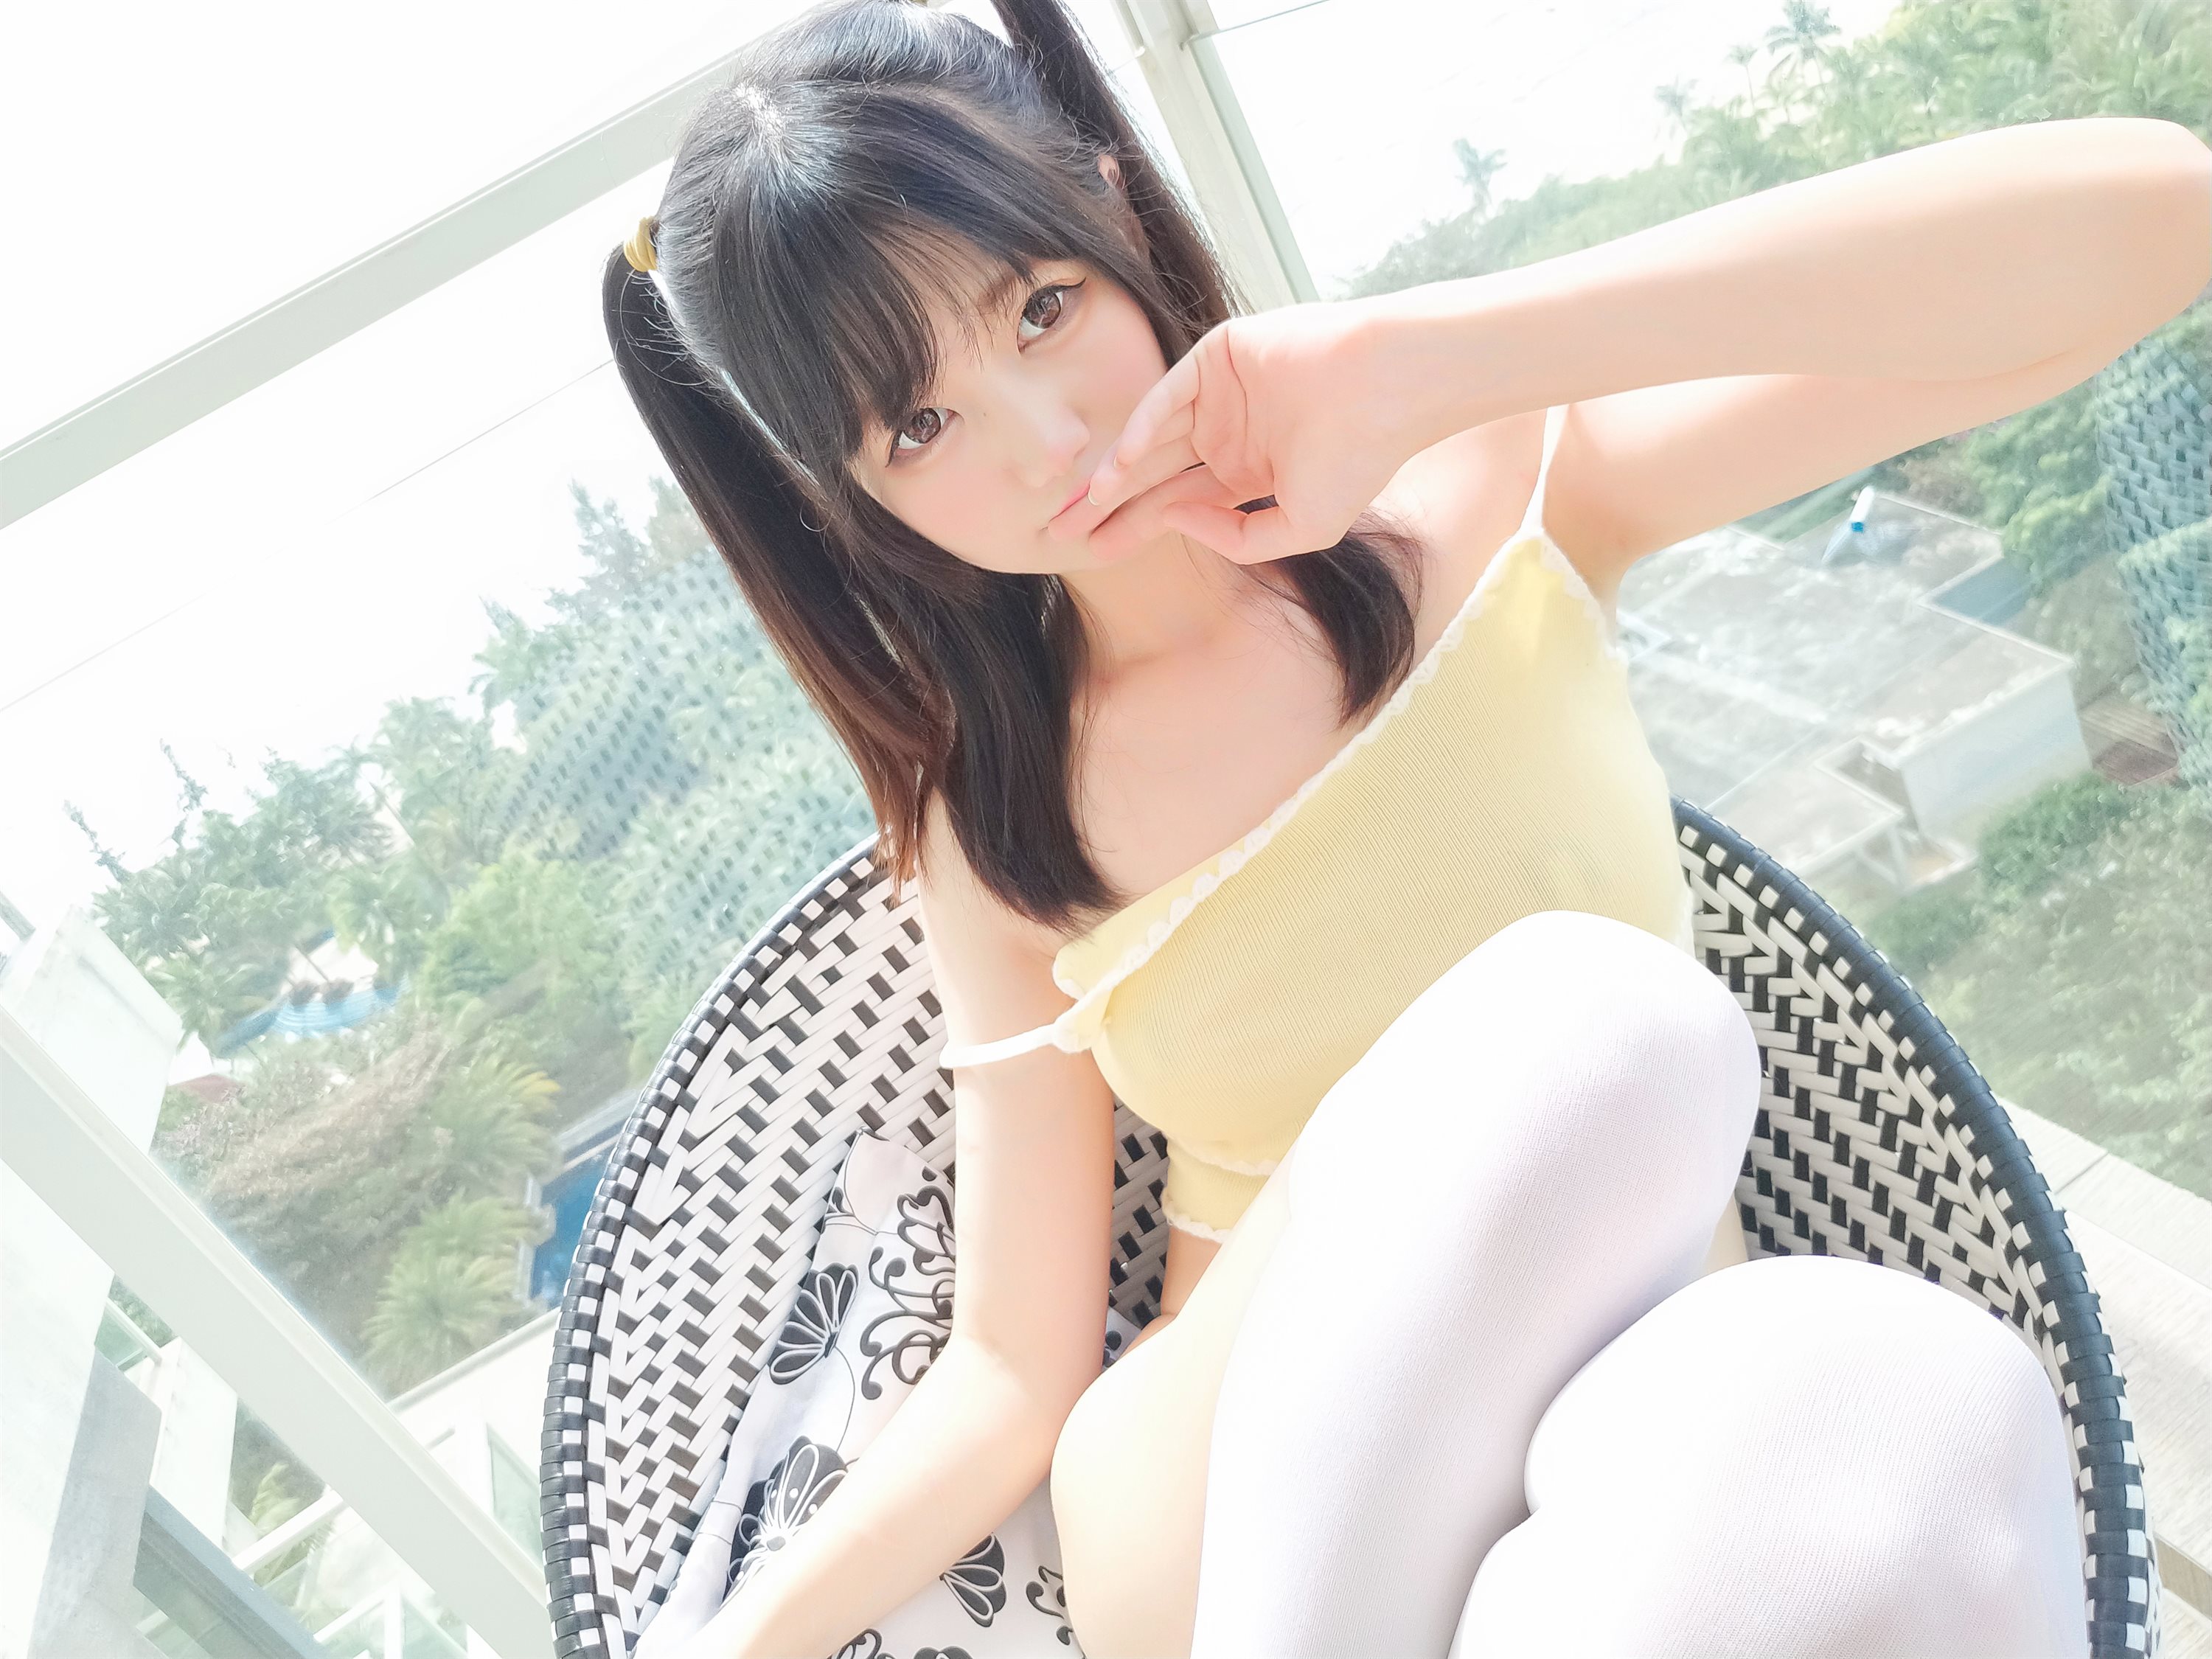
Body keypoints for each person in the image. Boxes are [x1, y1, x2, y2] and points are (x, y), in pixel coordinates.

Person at [603, 1, 2209, 1652]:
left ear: (1114, 205)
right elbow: (1012, 1367)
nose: (1046, 440)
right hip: (1229, 1517)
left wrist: (1437, 355)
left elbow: (2158, 217)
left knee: (1942, 1404)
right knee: (1594, 1019)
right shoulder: (1005, 831)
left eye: (1042, 306)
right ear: (853, 496)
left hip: (1644, 1440)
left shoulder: (1492, 489)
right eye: (920, 426)